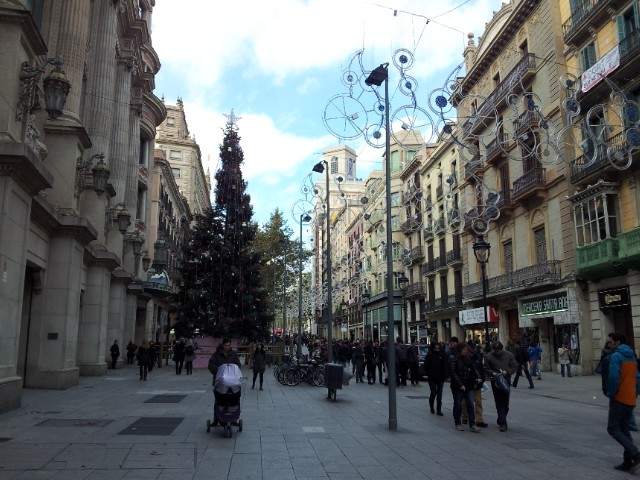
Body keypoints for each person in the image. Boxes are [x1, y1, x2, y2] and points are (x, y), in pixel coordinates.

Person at [605, 332, 640, 471]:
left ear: (617, 342)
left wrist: (611, 393)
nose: (609, 344)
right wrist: (635, 393)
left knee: (613, 428)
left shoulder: (616, 356)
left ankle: (635, 454)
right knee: (624, 429)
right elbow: (637, 377)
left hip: (619, 397)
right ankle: (628, 462)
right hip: (630, 397)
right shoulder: (632, 356)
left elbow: (613, 377)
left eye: (610, 342)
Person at [485, 341, 518, 431]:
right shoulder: (488, 356)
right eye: (495, 350)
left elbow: (515, 366)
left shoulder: (509, 355)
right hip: (495, 381)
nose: (497, 352)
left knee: (505, 402)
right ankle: (503, 423)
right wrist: (493, 373)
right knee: (499, 401)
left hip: (506, 380)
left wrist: (508, 371)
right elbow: (486, 369)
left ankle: (501, 418)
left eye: (498, 350)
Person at [449, 343, 481, 432]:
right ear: (460, 350)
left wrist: (477, 378)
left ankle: (472, 424)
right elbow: (453, 373)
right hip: (458, 386)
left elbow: (473, 369)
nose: (466, 351)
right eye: (464, 350)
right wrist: (460, 385)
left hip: (468, 385)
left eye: (467, 350)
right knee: (458, 404)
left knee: (470, 404)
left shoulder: (468, 359)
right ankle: (458, 423)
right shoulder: (454, 359)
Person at [462, 341, 488, 428]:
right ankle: (465, 417)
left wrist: (482, 379)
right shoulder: (463, 358)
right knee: (466, 401)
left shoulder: (477, 357)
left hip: (477, 382)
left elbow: (481, 369)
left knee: (478, 402)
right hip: (468, 383)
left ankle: (479, 420)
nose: (471, 350)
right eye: (469, 348)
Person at [424, 342, 447, 416]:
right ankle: (431, 407)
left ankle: (439, 410)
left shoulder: (442, 355)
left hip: (440, 378)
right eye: (435, 347)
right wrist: (428, 373)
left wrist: (445, 375)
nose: (437, 349)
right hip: (432, 378)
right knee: (433, 393)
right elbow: (426, 366)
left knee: (439, 395)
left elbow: (445, 365)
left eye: (438, 347)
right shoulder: (430, 355)